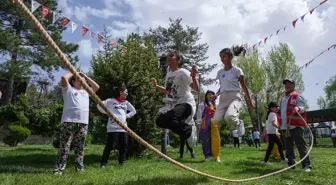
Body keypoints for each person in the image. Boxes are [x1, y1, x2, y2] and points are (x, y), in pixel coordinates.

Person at [53, 72, 100, 175]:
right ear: (73, 81)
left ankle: (79, 168)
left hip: (83, 123)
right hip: (68, 122)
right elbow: (63, 78)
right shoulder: (69, 90)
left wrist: (85, 76)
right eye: (79, 79)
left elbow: (96, 86)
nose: (82, 81)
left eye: (84, 80)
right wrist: (74, 72)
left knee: (80, 147)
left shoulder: (86, 92)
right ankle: (59, 169)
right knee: (65, 146)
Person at [153, 51, 199, 151]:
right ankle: (187, 130)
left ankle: (188, 130)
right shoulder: (169, 74)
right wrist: (157, 87)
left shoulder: (183, 72)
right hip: (176, 105)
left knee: (172, 116)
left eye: (171, 56)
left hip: (186, 103)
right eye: (168, 56)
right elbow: (168, 91)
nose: (168, 57)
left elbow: (196, 88)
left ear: (178, 60)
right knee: (160, 121)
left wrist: (194, 76)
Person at [213, 45, 254, 138]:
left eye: (224, 56)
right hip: (223, 97)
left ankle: (239, 123)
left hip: (234, 97)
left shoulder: (237, 71)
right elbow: (222, 86)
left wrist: (250, 102)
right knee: (216, 119)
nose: (222, 59)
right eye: (221, 57)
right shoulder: (220, 72)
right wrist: (216, 94)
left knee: (230, 116)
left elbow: (244, 87)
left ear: (230, 57)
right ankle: (233, 124)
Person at [97, 86, 136, 168]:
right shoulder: (111, 101)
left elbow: (133, 111)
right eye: (125, 92)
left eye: (127, 92)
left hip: (123, 128)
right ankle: (103, 163)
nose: (127, 94)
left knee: (124, 145)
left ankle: (122, 162)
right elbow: (99, 105)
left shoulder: (126, 103)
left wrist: (126, 116)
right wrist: (107, 113)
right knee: (110, 145)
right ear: (120, 92)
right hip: (112, 127)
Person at [279, 78, 312, 172]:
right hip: (285, 127)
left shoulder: (297, 96)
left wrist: (298, 108)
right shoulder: (283, 99)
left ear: (293, 86)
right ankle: (291, 165)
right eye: (286, 84)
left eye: (289, 84)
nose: (287, 85)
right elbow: (282, 112)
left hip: (296, 125)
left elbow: (302, 107)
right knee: (289, 147)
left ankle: (306, 165)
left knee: (301, 145)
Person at [196, 90, 221, 162]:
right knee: (205, 140)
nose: (210, 96)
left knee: (216, 138)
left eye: (212, 94)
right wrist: (199, 124)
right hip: (205, 122)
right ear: (206, 96)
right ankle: (207, 156)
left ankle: (216, 156)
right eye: (209, 94)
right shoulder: (202, 105)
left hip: (214, 122)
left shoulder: (216, 105)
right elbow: (199, 115)